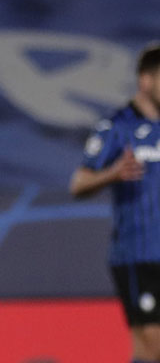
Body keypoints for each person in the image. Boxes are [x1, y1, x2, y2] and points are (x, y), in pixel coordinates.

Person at [70, 44, 160, 363]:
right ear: (146, 80)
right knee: (152, 347)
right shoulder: (117, 127)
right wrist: (113, 173)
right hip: (139, 254)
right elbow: (79, 183)